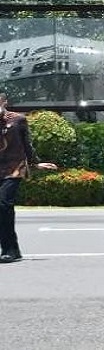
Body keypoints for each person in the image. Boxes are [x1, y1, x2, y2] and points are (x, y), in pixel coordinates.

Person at [0, 93, 57, 263]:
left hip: (14, 167)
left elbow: (27, 144)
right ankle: (13, 249)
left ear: (4, 102)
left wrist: (35, 163)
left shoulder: (18, 120)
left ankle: (9, 249)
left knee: (3, 203)